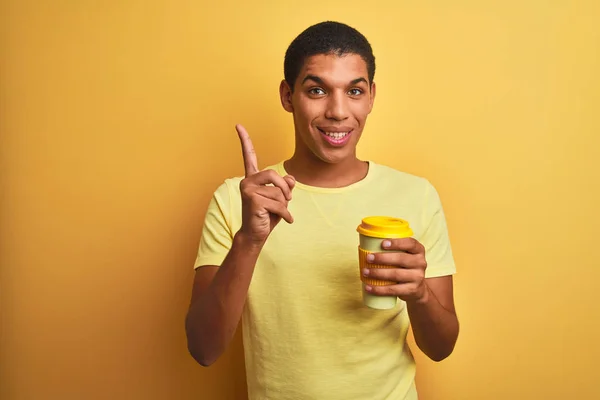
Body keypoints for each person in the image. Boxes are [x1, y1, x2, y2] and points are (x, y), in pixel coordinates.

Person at [185, 21, 459, 400]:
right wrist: (249, 240)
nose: (338, 111)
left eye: (354, 91)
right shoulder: (238, 200)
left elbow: (442, 347)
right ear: (287, 95)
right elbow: (203, 348)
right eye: (317, 90)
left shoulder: (416, 195)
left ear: (371, 97)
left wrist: (420, 296)